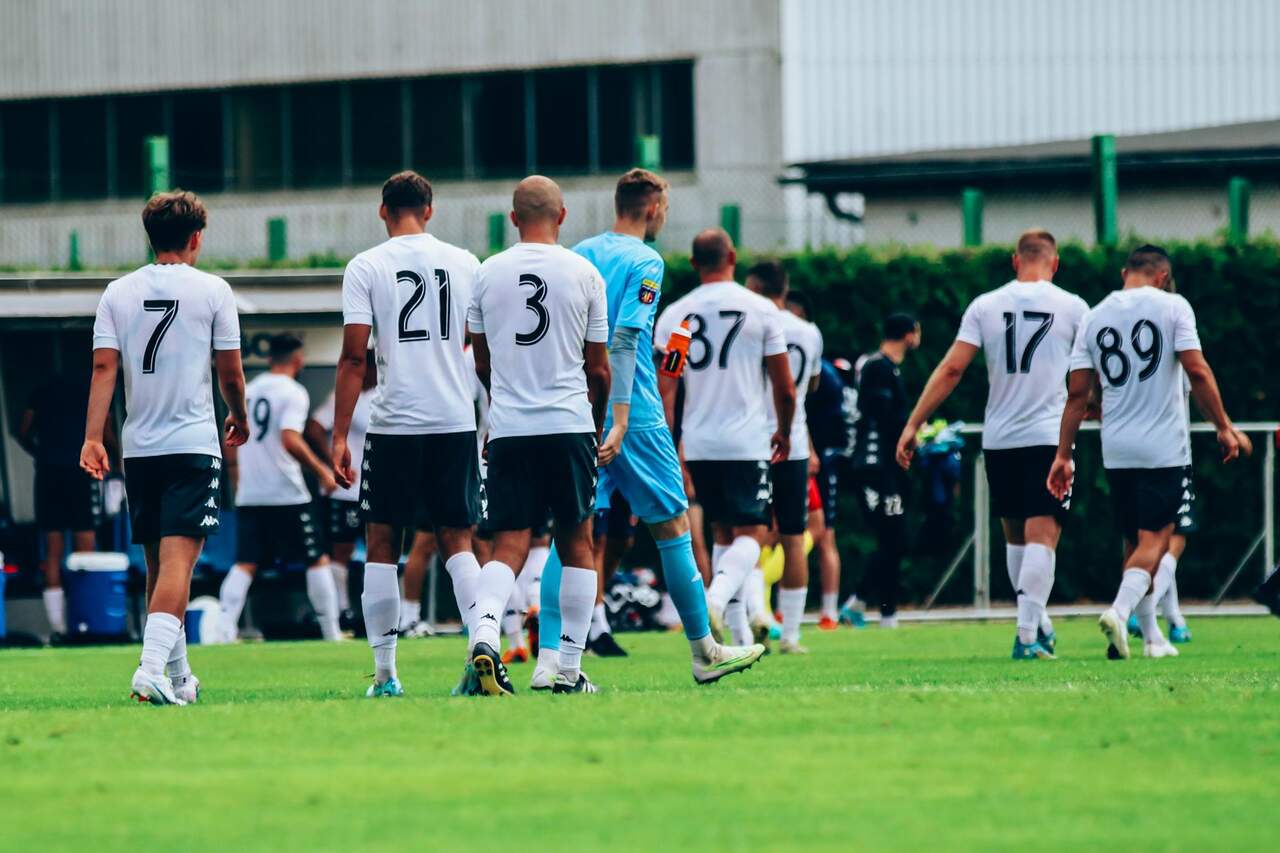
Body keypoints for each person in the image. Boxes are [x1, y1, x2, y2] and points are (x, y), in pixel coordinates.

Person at [536, 173, 766, 688]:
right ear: (655, 207)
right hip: (637, 414)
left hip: (580, 408)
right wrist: (624, 417)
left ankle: (549, 660)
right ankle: (705, 649)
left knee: (569, 534)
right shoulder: (648, 263)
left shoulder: (580, 254)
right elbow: (629, 342)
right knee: (675, 529)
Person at [80, 189, 248, 704]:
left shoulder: (117, 292)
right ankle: (150, 669)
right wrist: (238, 415)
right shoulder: (213, 290)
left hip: (140, 449)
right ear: (196, 237)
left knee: (158, 565)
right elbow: (229, 372)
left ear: (150, 236)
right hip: (192, 444)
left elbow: (104, 368)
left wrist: (93, 437)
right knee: (179, 565)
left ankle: (178, 678)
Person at [1048, 244, 1249, 659]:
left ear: (1126, 273)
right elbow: (1197, 370)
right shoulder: (1174, 306)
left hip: (1117, 447)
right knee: (1157, 540)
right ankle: (1120, 613)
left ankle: (1152, 638)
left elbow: (1078, 395)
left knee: (1134, 542)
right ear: (1162, 276)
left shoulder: (1094, 315)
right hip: (1163, 446)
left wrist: (1063, 454)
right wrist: (1223, 427)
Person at [896, 229, 1088, 659]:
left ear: (1015, 261)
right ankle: (1027, 636)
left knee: (1016, 538)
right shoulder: (1074, 307)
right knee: (1042, 535)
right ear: (1055, 264)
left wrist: (914, 423)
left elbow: (951, 369)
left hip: (1000, 437)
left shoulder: (985, 305)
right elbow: (1085, 380)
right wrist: (1094, 407)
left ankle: (1037, 624)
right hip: (1048, 436)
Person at [330, 170, 483, 697]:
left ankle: (385, 675)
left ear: (382, 210)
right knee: (458, 539)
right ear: (430, 209)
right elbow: (478, 344)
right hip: (454, 418)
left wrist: (339, 436)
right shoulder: (466, 263)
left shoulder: (366, 265)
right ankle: (481, 649)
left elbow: (354, 357)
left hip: (394, 421)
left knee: (381, 541)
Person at [466, 175, 611, 695]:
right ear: (562, 216)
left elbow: (481, 361)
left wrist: (500, 407)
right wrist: (596, 426)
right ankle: (567, 669)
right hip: (569, 422)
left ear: (513, 218)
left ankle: (485, 635)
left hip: (511, 427)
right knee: (577, 542)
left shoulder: (486, 273)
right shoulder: (585, 273)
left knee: (508, 543)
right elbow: (598, 369)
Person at [656, 228, 797, 646]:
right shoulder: (762, 310)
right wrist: (784, 430)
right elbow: (785, 386)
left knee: (722, 533)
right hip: (746, 440)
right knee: (754, 533)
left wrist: (672, 443)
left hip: (699, 441)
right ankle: (714, 600)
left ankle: (738, 637)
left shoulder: (679, 315)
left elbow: (668, 385)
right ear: (732, 257)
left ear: (693, 263)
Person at [219, 334, 340, 642]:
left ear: (270, 358)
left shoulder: (249, 390)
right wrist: (322, 471)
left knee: (245, 563)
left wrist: (238, 480)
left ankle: (222, 632)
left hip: (251, 493)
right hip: (287, 492)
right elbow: (290, 438)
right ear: (298, 361)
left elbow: (228, 439)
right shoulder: (294, 392)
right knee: (316, 558)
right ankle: (331, 632)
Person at [746, 261, 823, 654]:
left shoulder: (753, 323)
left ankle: (755, 616)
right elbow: (811, 385)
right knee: (794, 536)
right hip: (793, 442)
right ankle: (791, 634)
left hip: (752, 441)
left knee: (746, 533)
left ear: (757, 288)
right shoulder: (810, 332)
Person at [18, 367, 111, 638]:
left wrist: (40, 452)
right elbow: (105, 429)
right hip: (81, 471)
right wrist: (115, 458)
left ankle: (57, 627)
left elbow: (22, 431)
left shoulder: (40, 392)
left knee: (53, 551)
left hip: (48, 473)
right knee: (85, 548)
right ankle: (87, 621)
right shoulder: (90, 392)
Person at [845, 313, 920, 628]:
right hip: (875, 466)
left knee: (895, 539)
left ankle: (864, 604)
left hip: (888, 467)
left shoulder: (886, 367)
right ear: (909, 334)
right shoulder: (878, 367)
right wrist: (910, 433)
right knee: (893, 538)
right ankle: (880, 611)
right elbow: (883, 415)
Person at [787, 293, 850, 630]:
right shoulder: (805, 363)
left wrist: (815, 451)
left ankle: (828, 610)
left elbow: (812, 415)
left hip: (814, 457)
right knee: (782, 532)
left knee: (821, 533)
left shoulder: (822, 373)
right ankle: (780, 610)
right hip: (801, 452)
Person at [304, 351, 376, 630]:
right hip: (347, 490)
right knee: (342, 550)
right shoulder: (345, 397)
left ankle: (378, 615)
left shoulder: (385, 395)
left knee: (381, 549)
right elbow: (314, 427)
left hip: (377, 489)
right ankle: (342, 610)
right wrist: (330, 461)